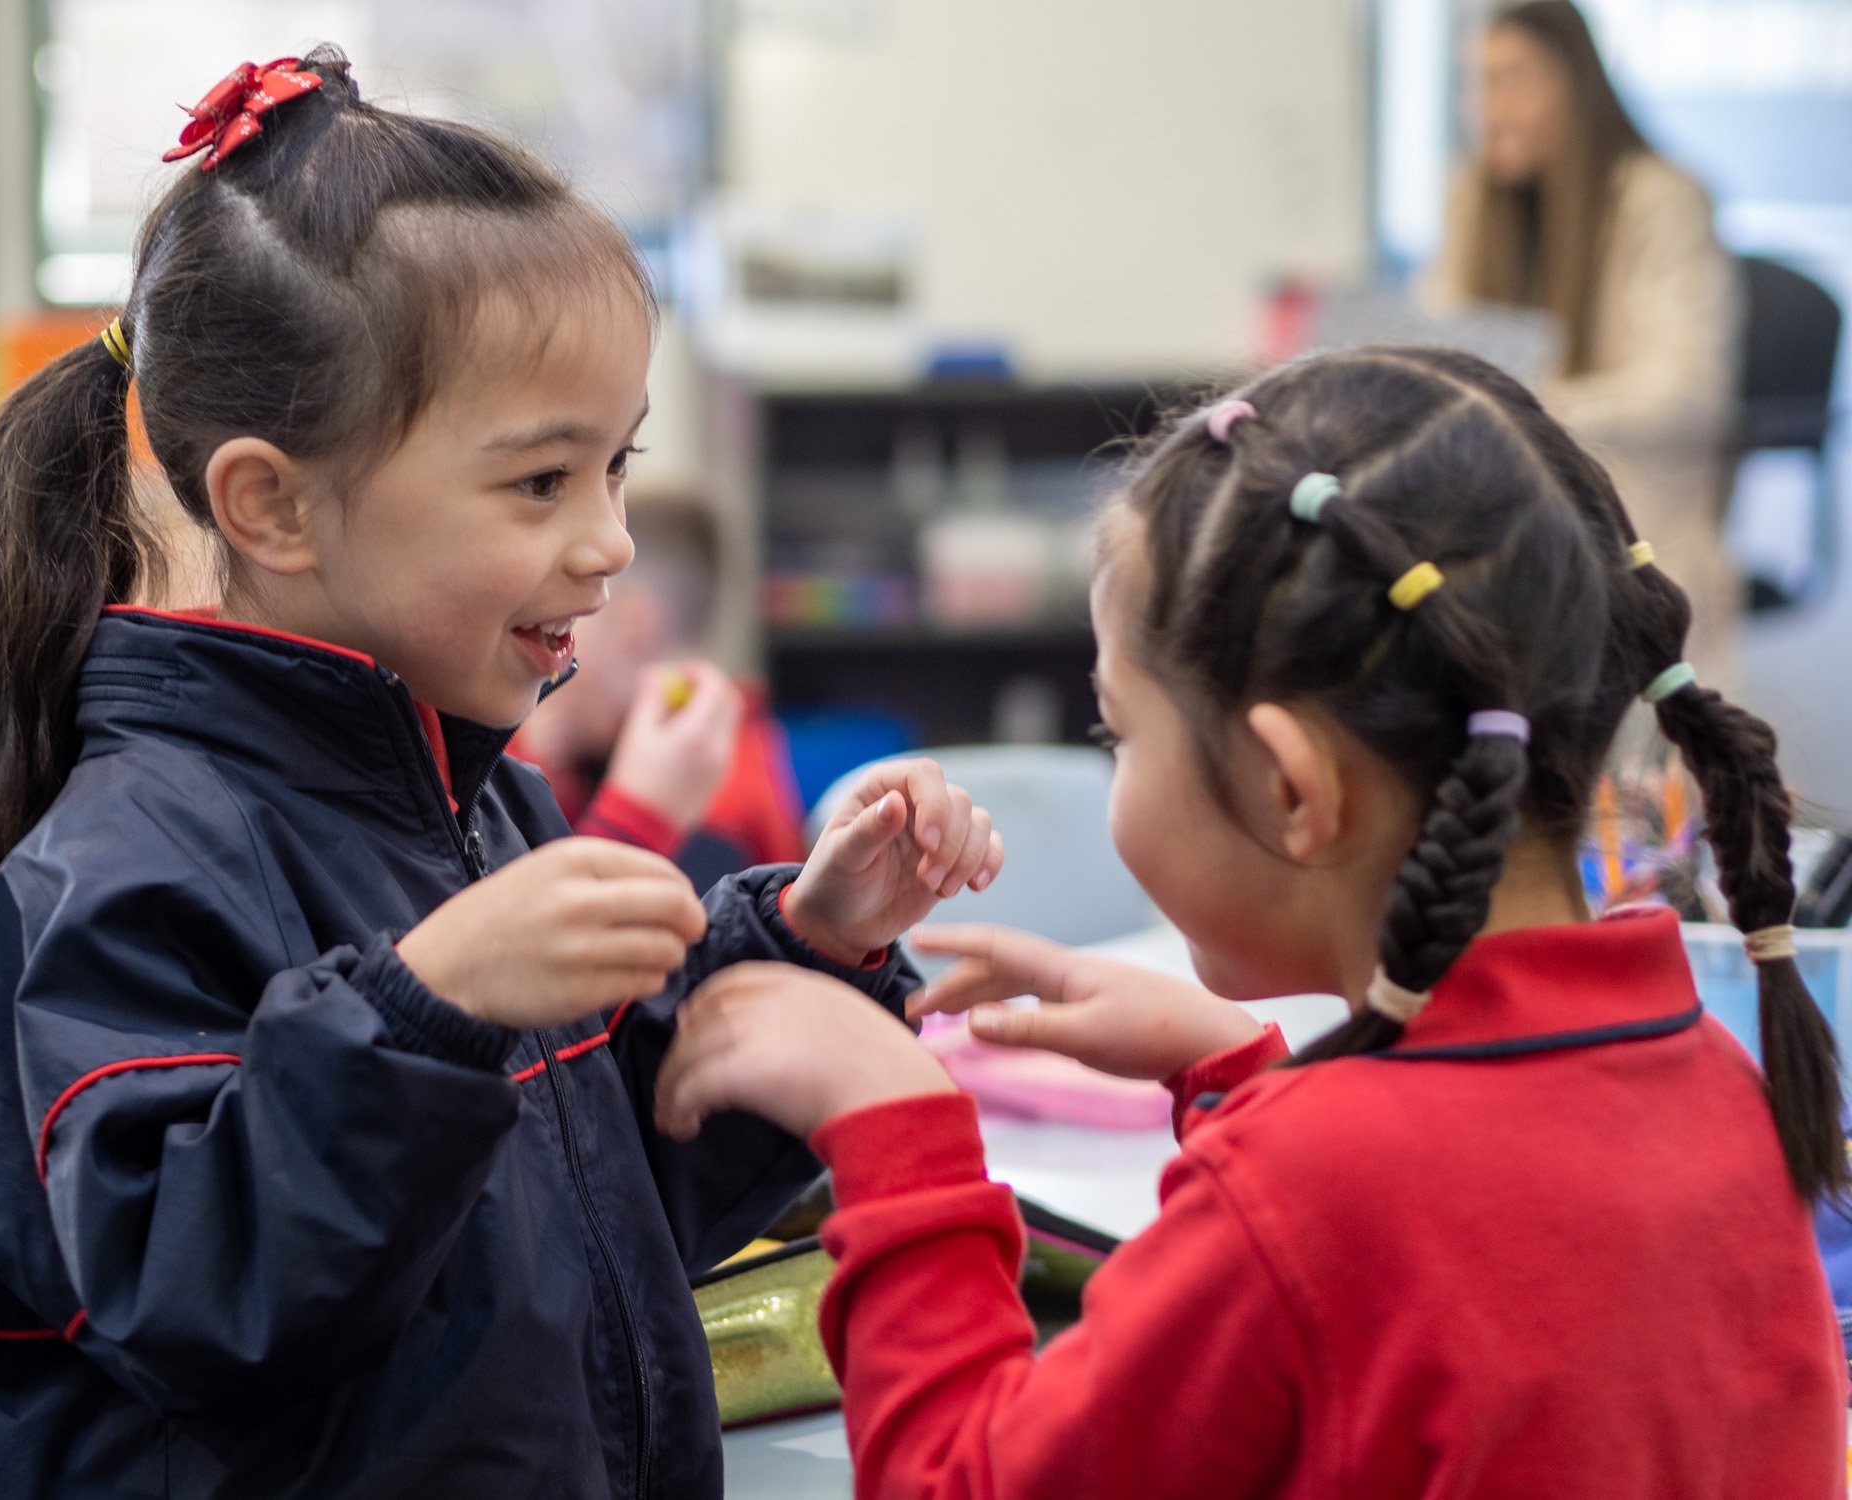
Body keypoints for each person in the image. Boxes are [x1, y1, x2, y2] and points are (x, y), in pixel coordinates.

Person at [0, 51, 1002, 1500]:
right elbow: (204, 1304)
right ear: (273, 505)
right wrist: (428, 1012)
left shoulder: (481, 801)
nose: (609, 539)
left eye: (619, 466)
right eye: (542, 481)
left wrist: (807, 941)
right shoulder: (126, 861)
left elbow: (611, 1198)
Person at [651, 352, 1850, 1497]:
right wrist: (1232, 1077)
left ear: (1289, 790)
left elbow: (966, 1479)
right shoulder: (1719, 1080)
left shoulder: (1314, 1190)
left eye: (1118, 734)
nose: (1114, 761)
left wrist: (896, 1137)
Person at [1430, 0, 1743, 683]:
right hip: (1505, 514)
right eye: (1475, 82)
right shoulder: (1471, 200)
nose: (1488, 106)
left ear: (1576, 83)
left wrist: (1523, 408)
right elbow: (1445, 356)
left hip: (1633, 514)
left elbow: (1685, 395)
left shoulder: (1662, 200)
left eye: (1512, 78)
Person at [513, 500, 810, 891]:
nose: (549, 648)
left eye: (563, 623)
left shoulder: (714, 812)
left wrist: (637, 815)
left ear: (632, 624)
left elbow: (572, 937)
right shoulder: (592, 756)